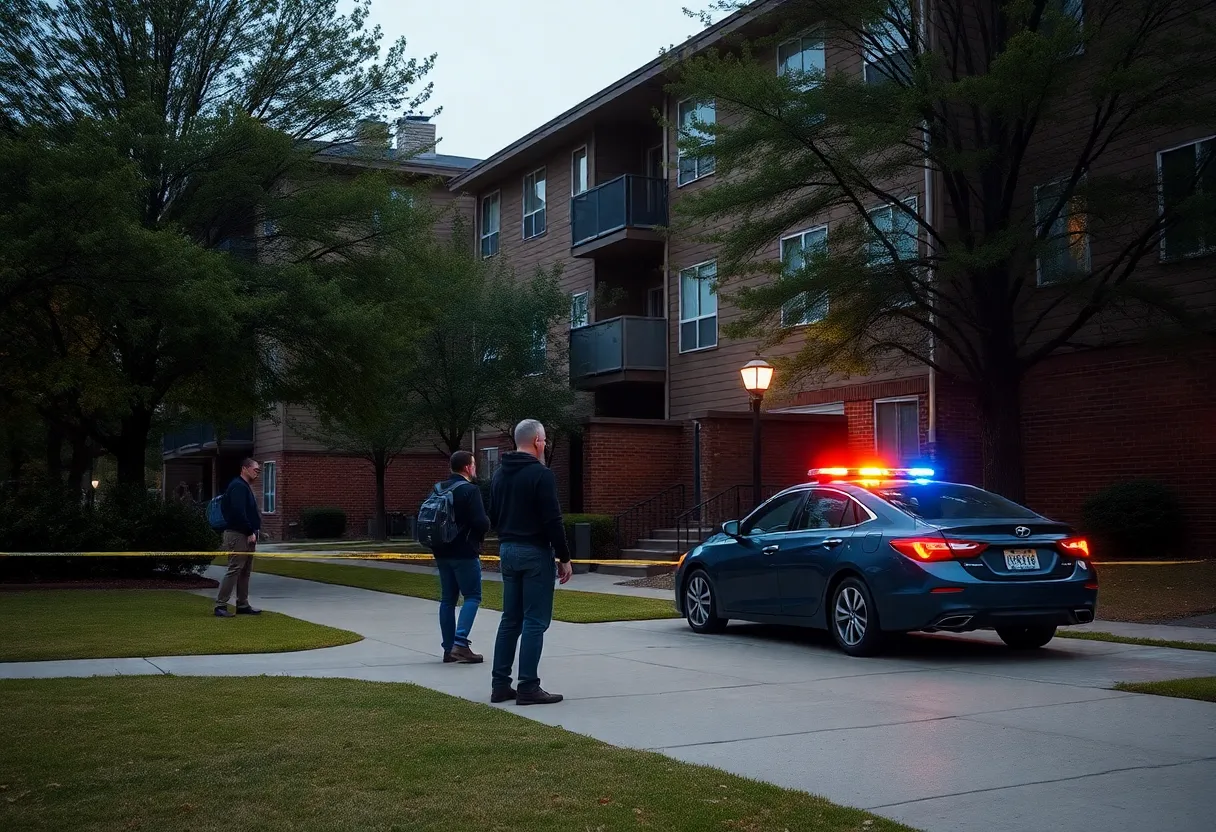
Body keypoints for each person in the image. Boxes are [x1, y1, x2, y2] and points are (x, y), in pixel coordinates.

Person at [489, 419, 573, 706]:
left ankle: (500, 685)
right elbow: (553, 520)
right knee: (535, 620)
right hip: (534, 551)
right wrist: (564, 557)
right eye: (545, 440)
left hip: (507, 550)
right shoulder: (541, 474)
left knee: (510, 619)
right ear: (538, 440)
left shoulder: (499, 474)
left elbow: (493, 515)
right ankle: (528, 686)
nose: (545, 445)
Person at [433, 450, 490, 663]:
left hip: (441, 551)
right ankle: (461, 642)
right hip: (464, 551)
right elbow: (481, 522)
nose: (474, 468)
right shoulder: (469, 490)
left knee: (447, 599)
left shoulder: (439, 488)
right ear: (467, 467)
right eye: (474, 464)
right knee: (473, 596)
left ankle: (449, 649)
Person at [214, 459, 262, 618]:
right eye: (255, 469)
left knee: (245, 570)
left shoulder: (244, 487)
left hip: (247, 533)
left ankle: (242, 603)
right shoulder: (238, 486)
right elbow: (238, 512)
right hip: (238, 533)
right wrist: (249, 531)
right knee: (235, 568)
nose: (257, 473)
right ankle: (220, 605)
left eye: (258, 470)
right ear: (244, 469)